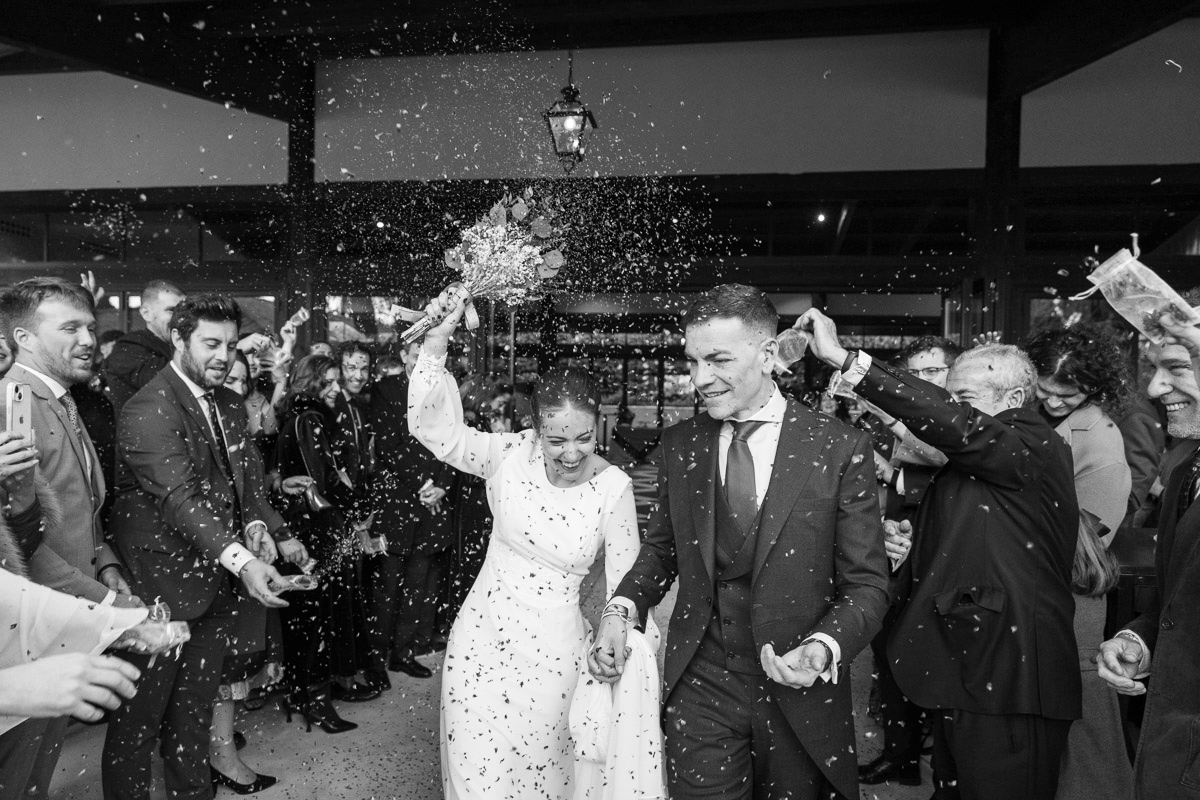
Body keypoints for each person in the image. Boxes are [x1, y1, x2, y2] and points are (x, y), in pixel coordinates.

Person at [591, 285, 889, 800]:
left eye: (719, 359)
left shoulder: (839, 447)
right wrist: (620, 611)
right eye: (693, 360)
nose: (701, 379)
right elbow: (662, 552)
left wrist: (822, 647)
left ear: (768, 354)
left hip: (799, 689)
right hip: (702, 682)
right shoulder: (681, 443)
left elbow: (867, 585)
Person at [799, 308, 1081, 800]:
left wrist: (846, 360)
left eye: (965, 400)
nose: (954, 410)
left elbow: (955, 426)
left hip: (1010, 678)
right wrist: (909, 546)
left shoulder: (1033, 441)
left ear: (1013, 399)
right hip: (972, 672)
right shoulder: (984, 459)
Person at [411, 287, 641, 800]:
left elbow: (627, 587)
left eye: (583, 438)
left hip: (556, 659)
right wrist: (436, 344)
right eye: (556, 439)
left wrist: (615, 635)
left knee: (539, 783)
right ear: (535, 428)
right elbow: (441, 433)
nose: (571, 452)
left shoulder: (613, 489)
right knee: (477, 779)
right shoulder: (508, 455)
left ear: (597, 424)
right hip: (481, 644)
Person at [102, 294, 291, 800]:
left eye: (230, 344)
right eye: (210, 343)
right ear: (177, 339)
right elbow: (181, 501)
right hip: (156, 591)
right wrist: (244, 560)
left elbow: (244, 479)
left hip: (214, 584)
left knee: (192, 714)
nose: (223, 356)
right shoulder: (147, 407)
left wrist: (255, 524)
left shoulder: (229, 403)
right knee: (138, 724)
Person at [0, 277, 139, 798]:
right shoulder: (14, 401)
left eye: (89, 325)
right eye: (70, 328)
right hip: (30, 623)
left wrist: (103, 560)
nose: (88, 338)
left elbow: (82, 502)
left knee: (40, 765)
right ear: (25, 338)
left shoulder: (58, 397)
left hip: (64, 616)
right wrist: (107, 606)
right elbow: (22, 537)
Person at [1096, 305, 1200, 800]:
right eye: (1156, 369)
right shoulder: (1186, 468)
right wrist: (1139, 640)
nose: (1157, 389)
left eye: (1178, 368)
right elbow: (1177, 599)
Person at [858, 335, 960, 789]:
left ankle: (942, 768)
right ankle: (900, 756)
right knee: (888, 648)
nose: (923, 381)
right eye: (914, 374)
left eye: (933, 372)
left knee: (935, 660)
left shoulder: (963, 417)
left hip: (941, 556)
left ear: (954, 375)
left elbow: (943, 465)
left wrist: (894, 456)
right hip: (898, 549)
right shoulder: (905, 417)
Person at [274, 354, 371, 730]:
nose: (335, 389)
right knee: (317, 618)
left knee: (305, 617)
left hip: (303, 529)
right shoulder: (311, 421)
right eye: (328, 382)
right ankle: (316, 702)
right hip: (315, 532)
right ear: (310, 383)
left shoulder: (293, 417)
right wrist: (355, 506)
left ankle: (305, 694)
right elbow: (323, 483)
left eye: (336, 382)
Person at [366, 346, 455, 682]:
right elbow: (389, 446)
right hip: (398, 501)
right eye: (418, 354)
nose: (424, 363)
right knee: (388, 585)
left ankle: (403, 653)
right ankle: (376, 661)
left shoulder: (445, 388)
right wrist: (423, 484)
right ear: (404, 354)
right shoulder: (386, 390)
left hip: (432, 503)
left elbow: (452, 440)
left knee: (418, 584)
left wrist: (443, 484)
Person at [103, 280, 185, 410]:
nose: (180, 318)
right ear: (146, 313)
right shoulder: (128, 348)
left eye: (183, 312)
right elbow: (174, 383)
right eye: (171, 310)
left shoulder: (175, 347)